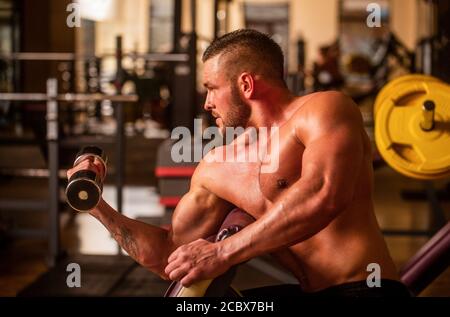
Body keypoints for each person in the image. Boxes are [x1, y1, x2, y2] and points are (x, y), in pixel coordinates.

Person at [68, 29, 410, 296]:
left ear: (245, 84)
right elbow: (169, 255)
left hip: (365, 290)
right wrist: (96, 205)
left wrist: (221, 253)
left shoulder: (323, 110)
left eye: (211, 88)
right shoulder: (218, 166)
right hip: (308, 293)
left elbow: (323, 195)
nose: (206, 103)